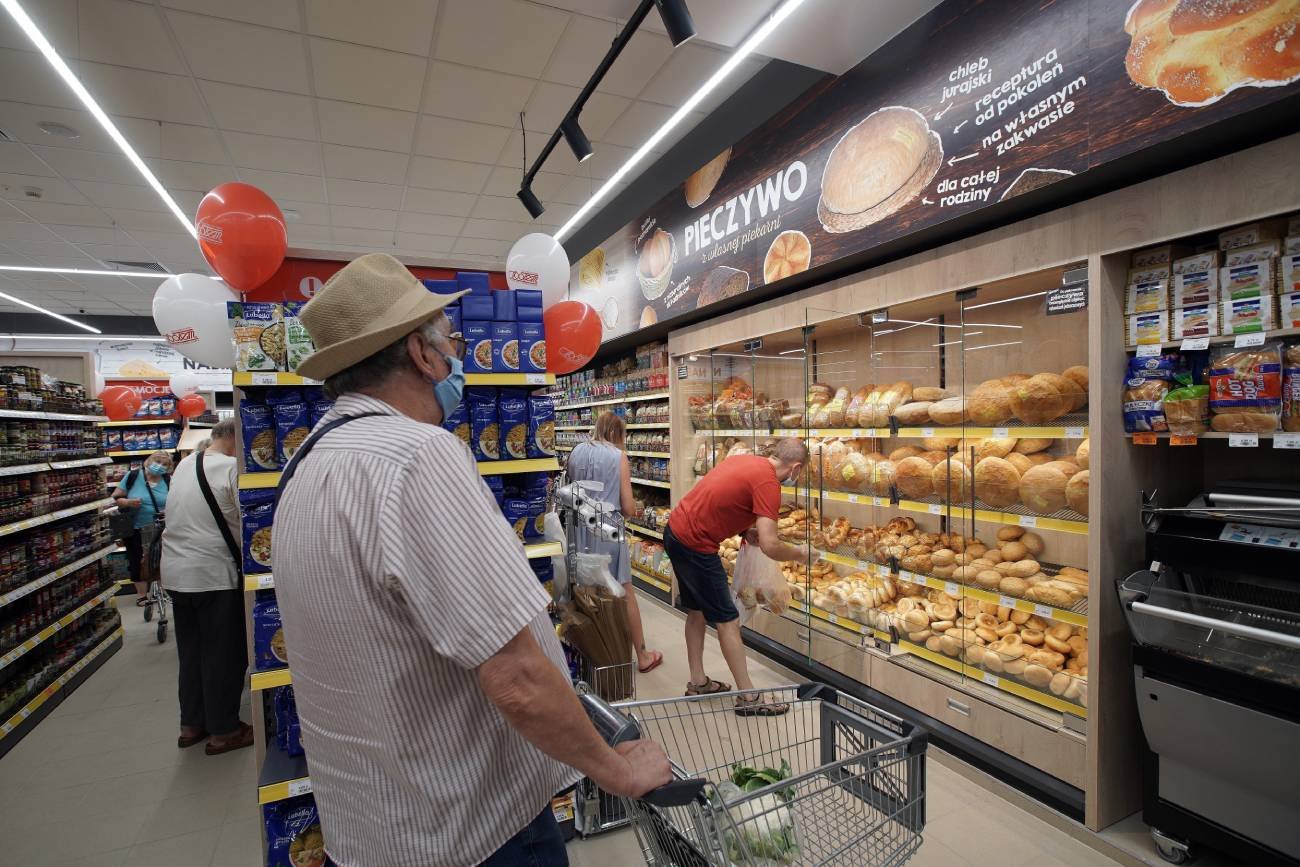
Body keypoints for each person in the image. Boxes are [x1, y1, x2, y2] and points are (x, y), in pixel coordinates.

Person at [273, 254, 670, 867]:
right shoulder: (417, 457)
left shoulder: (301, 471)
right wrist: (614, 769)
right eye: (449, 343)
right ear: (421, 355)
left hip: (368, 832)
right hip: (471, 834)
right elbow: (515, 677)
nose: (456, 356)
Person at [664, 438, 809, 715]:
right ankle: (748, 698)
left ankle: (698, 682)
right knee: (728, 621)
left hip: (676, 531)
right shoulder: (769, 484)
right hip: (696, 545)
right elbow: (770, 544)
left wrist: (744, 532)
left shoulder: (747, 460)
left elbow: (722, 500)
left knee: (696, 612)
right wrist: (799, 554)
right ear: (796, 468)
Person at [159, 419, 251, 754]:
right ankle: (224, 731)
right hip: (213, 573)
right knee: (223, 654)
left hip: (176, 574)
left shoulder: (185, 464)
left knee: (192, 652)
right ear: (235, 439)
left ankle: (191, 724)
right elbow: (250, 521)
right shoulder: (229, 468)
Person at [567, 412, 663, 673]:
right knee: (623, 591)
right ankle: (642, 656)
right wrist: (640, 507)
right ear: (617, 433)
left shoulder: (576, 452)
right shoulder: (618, 456)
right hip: (607, 529)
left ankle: (593, 653)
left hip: (580, 529)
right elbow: (629, 506)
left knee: (585, 590)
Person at [111, 449, 172, 605]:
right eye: (157, 462)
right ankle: (142, 595)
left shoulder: (167, 480)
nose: (160, 466)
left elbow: (175, 499)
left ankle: (162, 591)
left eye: (165, 464)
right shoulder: (133, 476)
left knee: (162, 558)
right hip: (136, 527)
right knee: (137, 559)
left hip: (161, 527)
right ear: (149, 461)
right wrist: (128, 502)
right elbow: (117, 497)